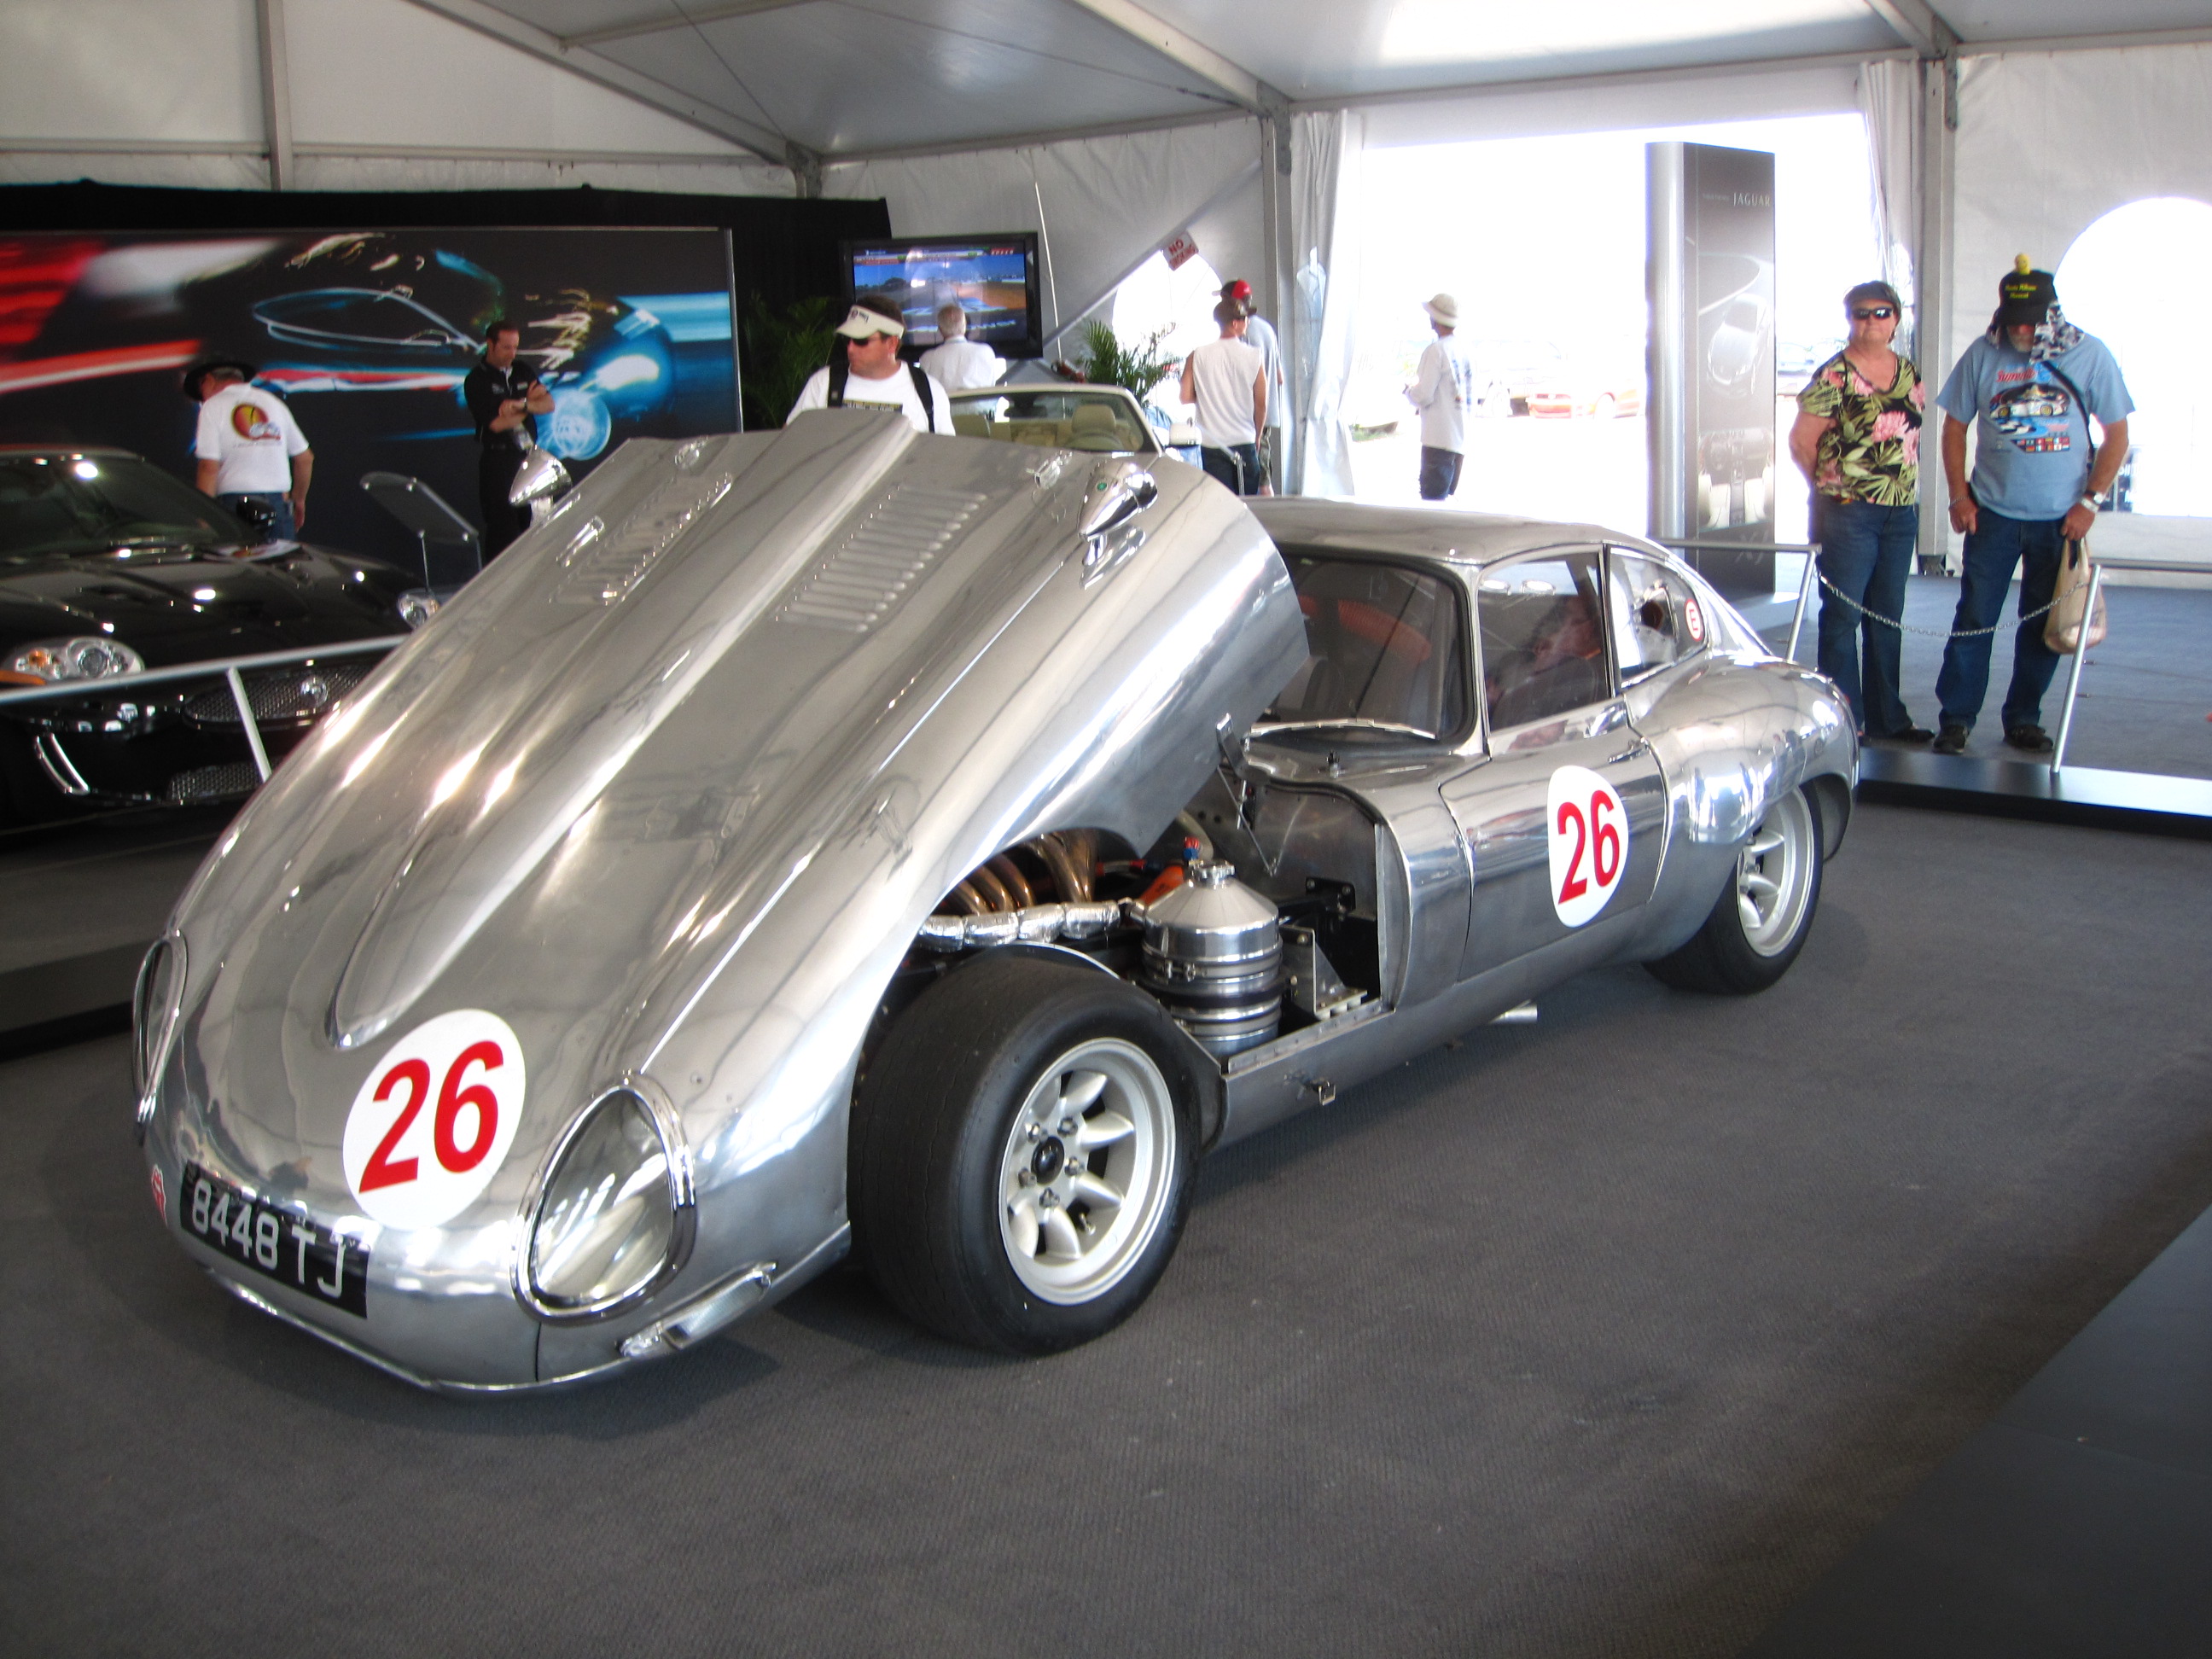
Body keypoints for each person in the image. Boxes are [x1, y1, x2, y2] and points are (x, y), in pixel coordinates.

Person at [1931, 256, 2133, 755]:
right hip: (1992, 514)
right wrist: (1958, 495)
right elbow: (1954, 428)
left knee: (2044, 625)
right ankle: (1956, 720)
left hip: (2061, 520)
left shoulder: (2090, 355)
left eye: (2031, 322)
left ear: (2052, 316)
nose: (2021, 330)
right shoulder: (1983, 354)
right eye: (2013, 320)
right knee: (1974, 617)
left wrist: (2090, 502)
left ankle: (2024, 718)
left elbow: (2117, 435)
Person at [1787, 280, 1932, 742]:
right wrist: (1833, 489)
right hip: (1849, 512)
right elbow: (1801, 442)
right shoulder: (1835, 375)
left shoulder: (1908, 372)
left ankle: (1889, 717)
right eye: (1861, 313)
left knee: (1887, 616)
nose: (1871, 321)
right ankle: (1845, 719)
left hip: (1899, 510)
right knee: (1843, 615)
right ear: (1849, 320)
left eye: (1881, 312)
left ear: (1896, 320)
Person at [789, 297, 952, 434]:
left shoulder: (929, 391)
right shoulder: (823, 383)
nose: (850, 348)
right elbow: (790, 441)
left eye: (861, 341)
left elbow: (946, 454)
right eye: (847, 340)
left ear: (892, 343)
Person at [187, 358, 311, 540]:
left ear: (209, 380)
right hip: (278, 504)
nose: (202, 397)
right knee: (281, 559)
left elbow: (209, 467)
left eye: (201, 389)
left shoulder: (212, 406)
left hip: (234, 507)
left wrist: (204, 518)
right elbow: (305, 459)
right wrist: (298, 501)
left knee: (235, 559)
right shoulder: (274, 403)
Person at [463, 321, 554, 558]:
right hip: (499, 460)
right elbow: (496, 424)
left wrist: (520, 405)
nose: (512, 354)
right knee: (503, 529)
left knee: (534, 522)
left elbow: (548, 404)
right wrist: (528, 405)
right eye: (506, 348)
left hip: (528, 456)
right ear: (490, 345)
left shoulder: (522, 370)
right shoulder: (477, 379)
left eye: (515, 347)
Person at [1179, 298, 1266, 494]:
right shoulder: (1254, 355)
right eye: (1244, 319)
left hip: (1213, 445)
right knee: (1248, 506)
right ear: (1234, 323)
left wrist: (1209, 397)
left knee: (1220, 506)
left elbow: (1185, 397)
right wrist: (1258, 435)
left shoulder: (1197, 355)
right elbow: (1261, 403)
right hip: (1244, 441)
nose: (1248, 322)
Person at [1406, 294, 1476, 501]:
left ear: (1435, 320)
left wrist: (1408, 392)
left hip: (1437, 439)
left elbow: (1424, 395)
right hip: (1459, 438)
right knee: (1444, 503)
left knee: (1432, 503)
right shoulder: (1465, 350)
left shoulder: (1436, 351)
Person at [1222, 279, 1283, 491]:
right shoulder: (1267, 329)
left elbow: (1240, 379)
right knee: (1260, 477)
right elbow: (1280, 377)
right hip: (1266, 415)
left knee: (1260, 481)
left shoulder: (1242, 333)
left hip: (1251, 417)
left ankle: (1268, 514)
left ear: (1231, 301)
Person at [917, 302, 1003, 391]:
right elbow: (992, 385)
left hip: (945, 400)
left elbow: (924, 391)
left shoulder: (927, 358)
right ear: (965, 326)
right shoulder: (986, 351)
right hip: (982, 400)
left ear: (940, 329)